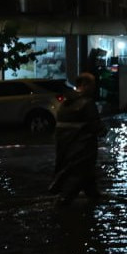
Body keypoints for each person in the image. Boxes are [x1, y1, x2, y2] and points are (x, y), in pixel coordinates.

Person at [50, 72, 105, 204]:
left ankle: (93, 198)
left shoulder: (65, 103)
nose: (94, 88)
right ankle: (62, 205)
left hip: (65, 147)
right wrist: (103, 131)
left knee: (87, 178)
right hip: (83, 149)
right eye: (92, 85)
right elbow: (95, 126)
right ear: (85, 85)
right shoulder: (87, 103)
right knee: (77, 177)